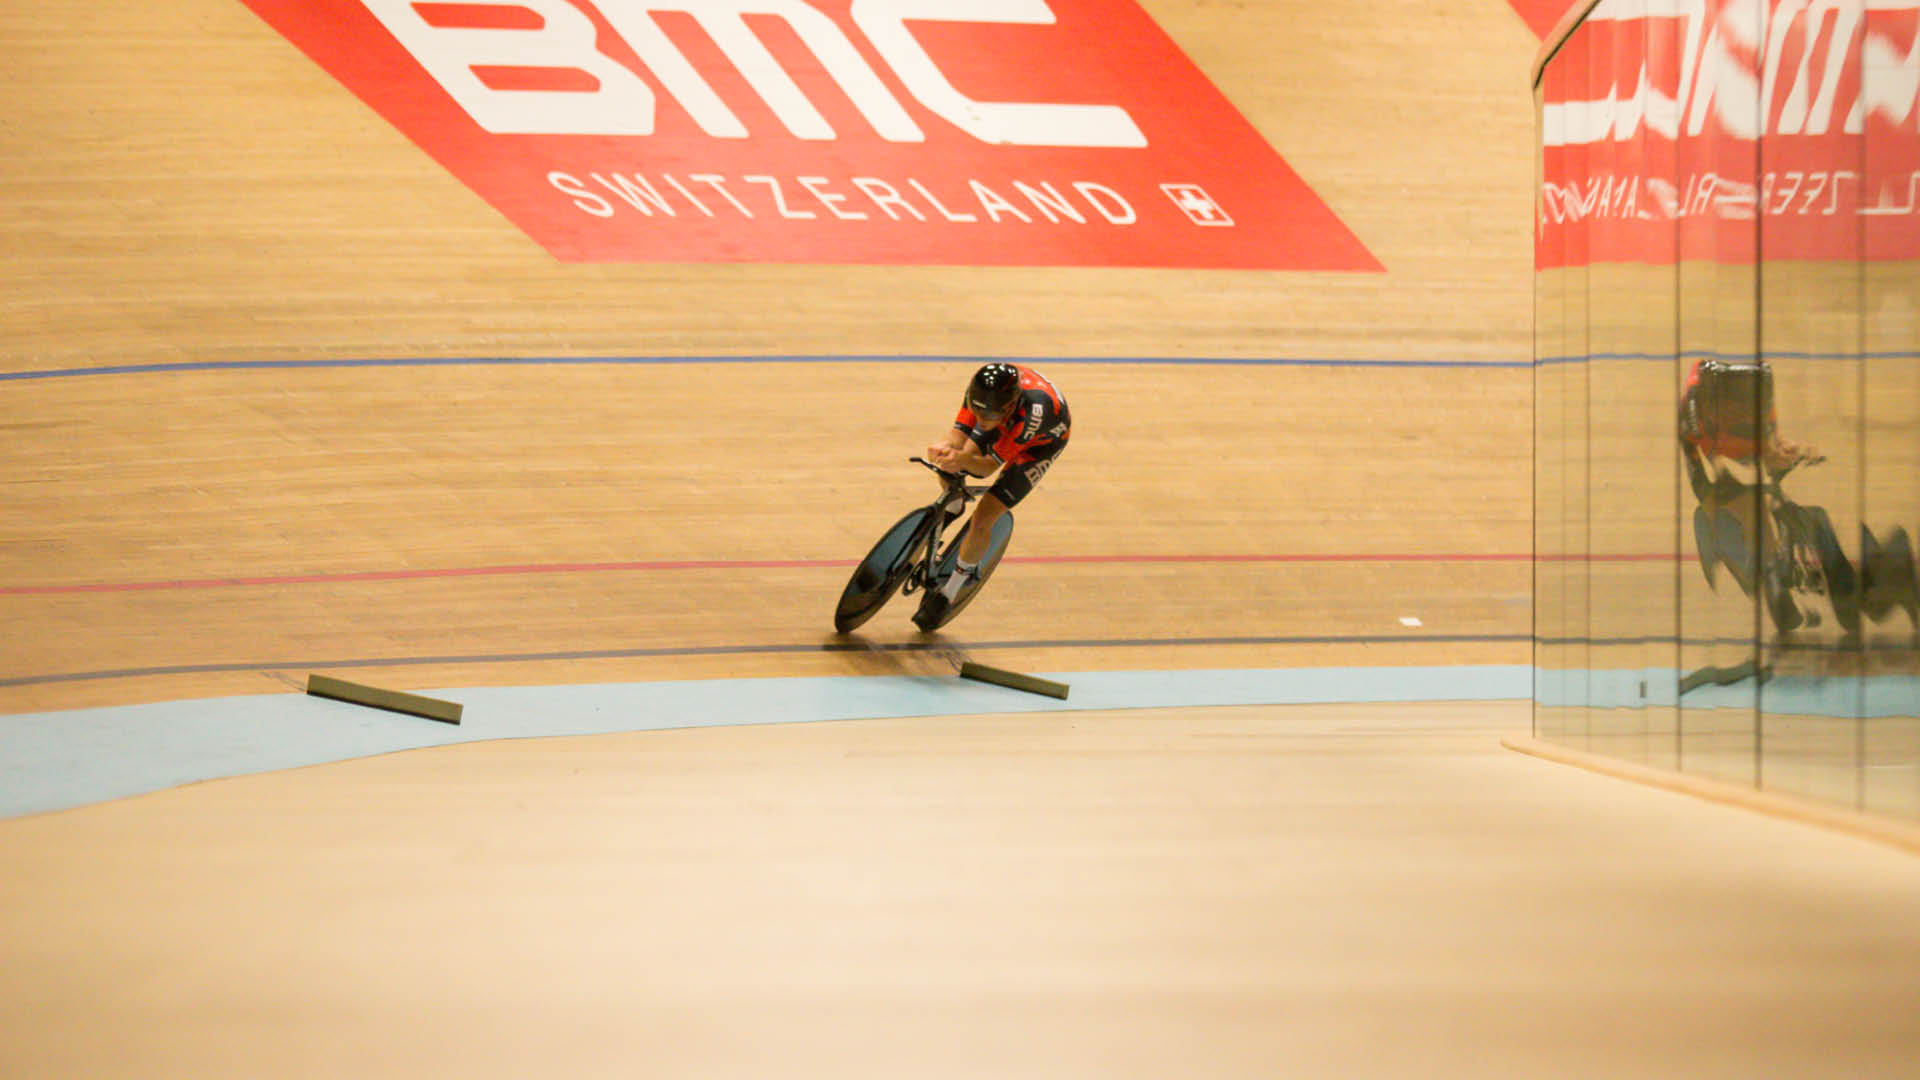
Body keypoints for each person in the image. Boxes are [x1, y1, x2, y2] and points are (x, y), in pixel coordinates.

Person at [920, 362, 1070, 618]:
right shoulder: (981, 393)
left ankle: (951, 590)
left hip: (1039, 444)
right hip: (1007, 418)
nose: (981, 421)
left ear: (1009, 407)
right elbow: (958, 436)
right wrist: (944, 448)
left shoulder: (1033, 413)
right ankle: (954, 505)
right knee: (956, 459)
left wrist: (963, 460)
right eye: (978, 414)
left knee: (984, 517)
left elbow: (987, 468)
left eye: (987, 417)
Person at [1678, 358, 1820, 627]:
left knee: (1772, 471)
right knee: (1740, 505)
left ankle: (1775, 567)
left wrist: (1786, 454)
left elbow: (1771, 450)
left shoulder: (1757, 403)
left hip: (1746, 443)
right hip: (1718, 451)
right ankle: (1767, 571)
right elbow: (1701, 482)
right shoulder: (1692, 415)